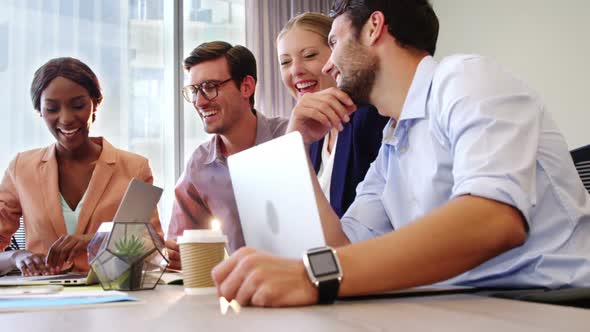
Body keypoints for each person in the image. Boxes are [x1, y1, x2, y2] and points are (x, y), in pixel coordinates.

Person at [212, 0, 590, 307]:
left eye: (335, 42)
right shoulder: (394, 141)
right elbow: (341, 249)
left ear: (374, 26)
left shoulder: (465, 79)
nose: (328, 64)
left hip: (550, 301)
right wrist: (296, 150)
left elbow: (493, 221)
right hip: (468, 303)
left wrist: (312, 274)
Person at [0, 57, 163, 276]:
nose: (66, 118)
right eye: (52, 108)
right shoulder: (21, 168)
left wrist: (94, 240)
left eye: (78, 105)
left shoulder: (134, 168)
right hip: (41, 299)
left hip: (112, 298)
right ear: (39, 110)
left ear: (96, 103)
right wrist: (15, 256)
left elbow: (153, 249)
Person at [166, 42, 288, 270]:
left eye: (210, 87)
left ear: (246, 87)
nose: (200, 102)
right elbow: (179, 250)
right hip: (234, 295)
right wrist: (178, 256)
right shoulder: (200, 165)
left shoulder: (292, 138)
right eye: (194, 91)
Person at [277, 12, 388, 217]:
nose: (296, 71)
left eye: (309, 55)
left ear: (338, 53)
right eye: (285, 62)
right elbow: (285, 213)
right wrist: (294, 139)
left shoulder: (369, 117)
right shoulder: (311, 128)